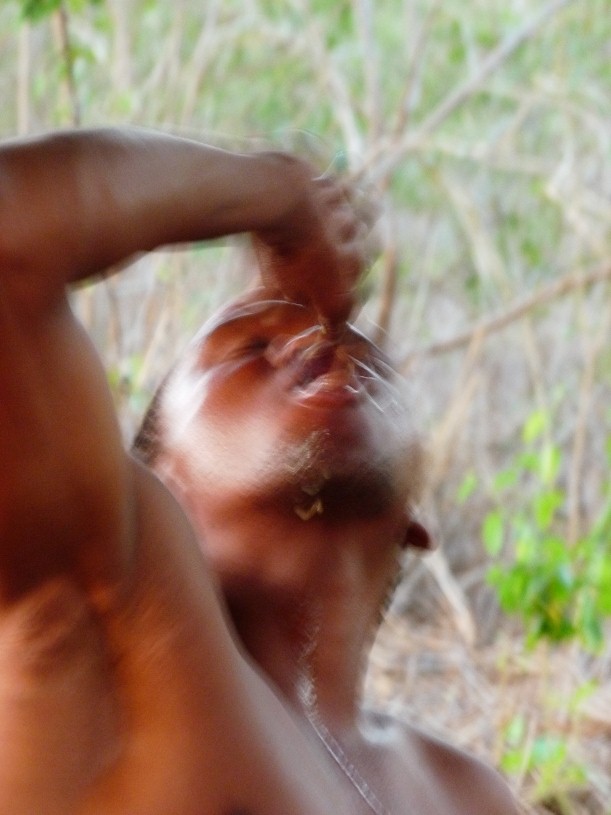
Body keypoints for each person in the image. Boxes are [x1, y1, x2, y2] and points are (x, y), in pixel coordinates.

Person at [0, 126, 518, 815]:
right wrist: (280, 193)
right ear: (163, 479)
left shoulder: (468, 794)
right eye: (247, 348)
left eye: (356, 344)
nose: (314, 341)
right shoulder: (106, 639)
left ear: (413, 520)